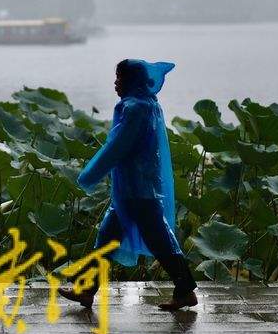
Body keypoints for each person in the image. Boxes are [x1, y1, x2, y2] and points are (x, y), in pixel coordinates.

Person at [58, 59, 198, 311]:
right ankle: (86, 290)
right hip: (135, 189)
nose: (115, 83)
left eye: (120, 78)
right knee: (109, 239)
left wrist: (89, 174)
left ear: (131, 80)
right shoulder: (148, 104)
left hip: (137, 191)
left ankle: (185, 290)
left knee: (158, 242)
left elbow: (117, 147)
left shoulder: (135, 109)